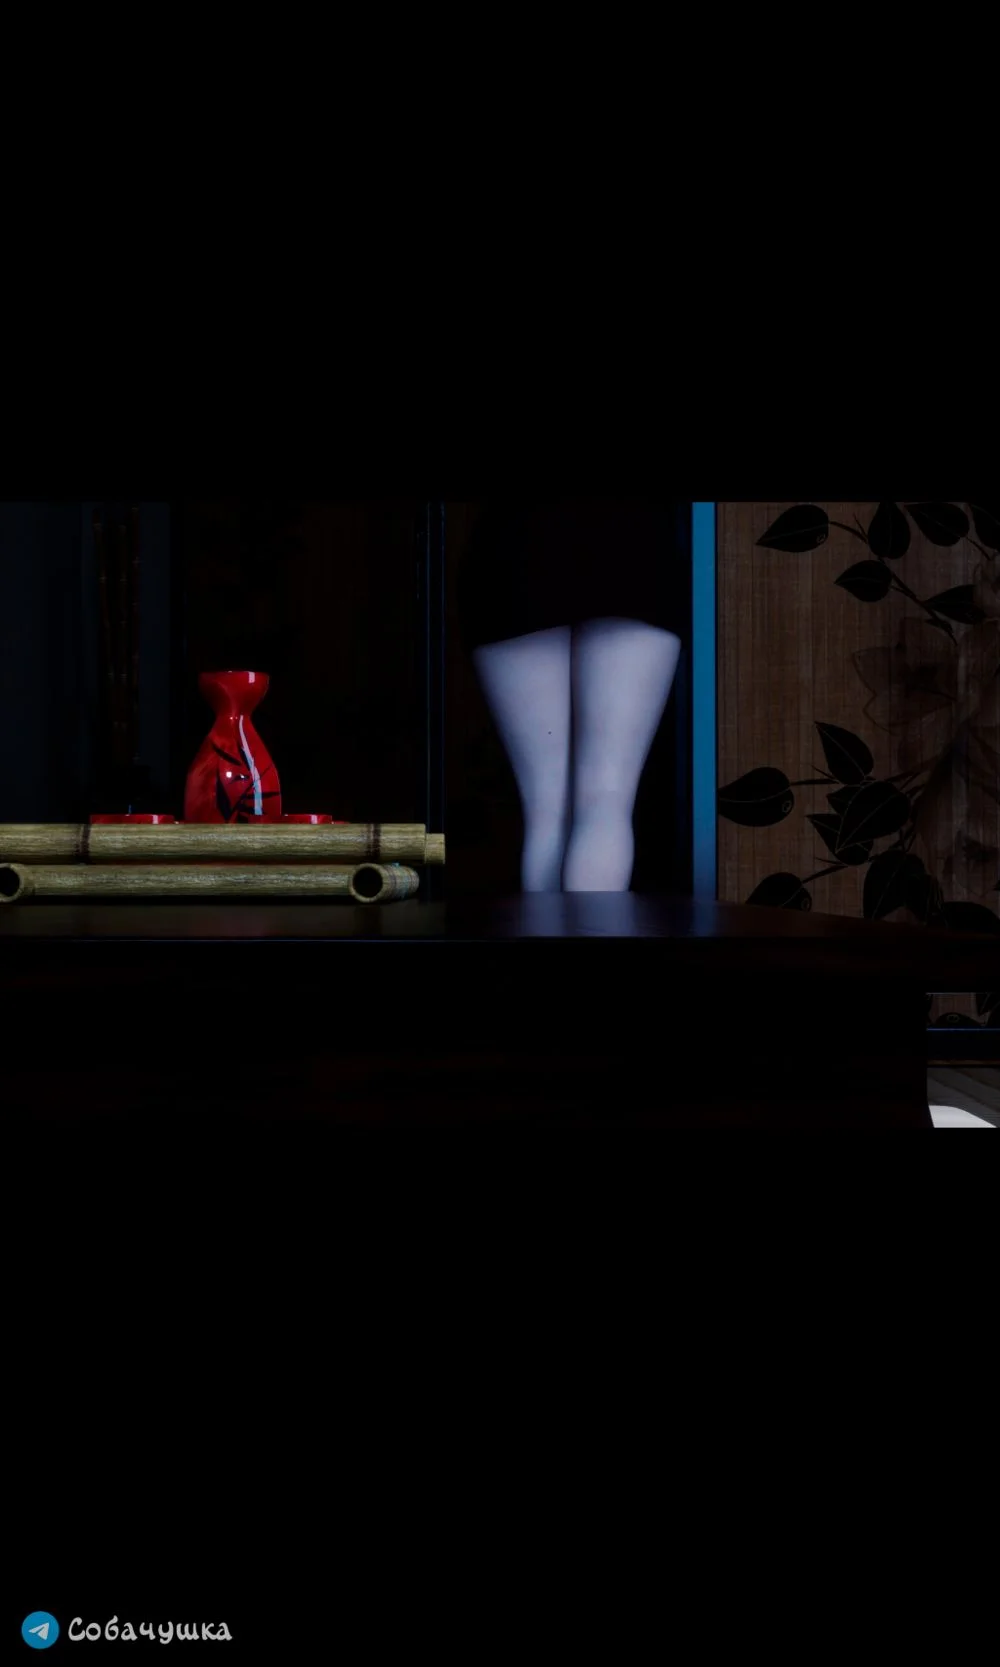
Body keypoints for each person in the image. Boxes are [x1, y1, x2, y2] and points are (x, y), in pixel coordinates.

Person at [457, 499, 687, 891]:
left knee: (545, 813)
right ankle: (590, 932)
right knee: (605, 801)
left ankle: (553, 931)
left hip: (516, 542)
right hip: (631, 540)